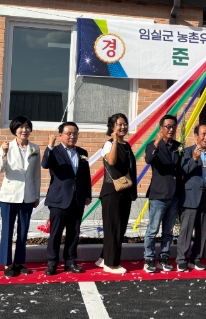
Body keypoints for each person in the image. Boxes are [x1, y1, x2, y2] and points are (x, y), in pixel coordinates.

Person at [43, 122, 92, 276]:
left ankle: (70, 261)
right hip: (59, 199)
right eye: (69, 133)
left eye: (75, 133)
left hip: (77, 199)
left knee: (74, 232)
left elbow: (85, 175)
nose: (72, 136)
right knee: (56, 233)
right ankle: (52, 262)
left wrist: (87, 194)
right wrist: (50, 146)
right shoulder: (55, 151)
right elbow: (45, 164)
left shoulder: (82, 152)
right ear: (61, 135)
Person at [0, 116, 41, 277]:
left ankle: (19, 262)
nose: (24, 130)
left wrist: (36, 195)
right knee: (7, 231)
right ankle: (7, 263)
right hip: (9, 196)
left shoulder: (35, 148)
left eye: (27, 127)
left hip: (27, 196)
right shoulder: (7, 146)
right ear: (14, 130)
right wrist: (3, 153)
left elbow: (36, 175)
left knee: (23, 231)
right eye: (21, 127)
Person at [97, 113, 138, 275]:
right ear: (112, 127)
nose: (123, 127)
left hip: (124, 191)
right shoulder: (109, 144)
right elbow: (112, 161)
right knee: (113, 228)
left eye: (125, 124)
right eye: (119, 124)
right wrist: (114, 141)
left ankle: (103, 258)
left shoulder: (126, 145)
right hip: (112, 192)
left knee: (119, 228)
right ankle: (111, 264)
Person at [176, 124, 206, 272]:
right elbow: (182, 171)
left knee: (202, 229)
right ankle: (181, 259)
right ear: (196, 136)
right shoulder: (188, 152)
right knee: (186, 229)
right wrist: (194, 159)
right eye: (203, 134)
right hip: (190, 195)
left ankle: (196, 259)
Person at [143, 114, 183, 273]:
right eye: (168, 126)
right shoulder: (152, 145)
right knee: (153, 230)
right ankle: (149, 258)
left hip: (175, 195)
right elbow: (148, 159)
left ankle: (164, 257)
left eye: (173, 126)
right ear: (161, 128)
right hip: (159, 194)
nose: (171, 129)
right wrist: (157, 142)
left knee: (168, 230)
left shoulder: (179, 146)